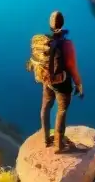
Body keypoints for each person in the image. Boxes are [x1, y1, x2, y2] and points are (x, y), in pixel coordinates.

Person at [28, 10, 84, 153]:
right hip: (62, 83)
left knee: (46, 107)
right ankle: (59, 145)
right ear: (63, 23)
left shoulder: (45, 41)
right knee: (62, 110)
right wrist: (79, 84)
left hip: (46, 80)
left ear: (50, 25)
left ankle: (46, 139)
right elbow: (72, 66)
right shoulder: (66, 44)